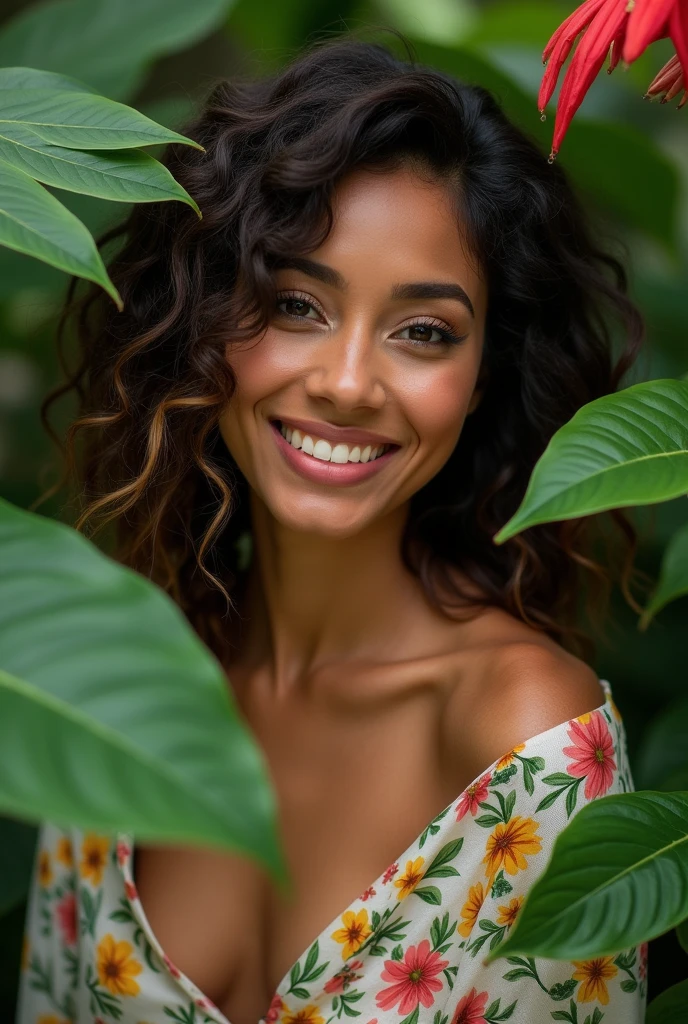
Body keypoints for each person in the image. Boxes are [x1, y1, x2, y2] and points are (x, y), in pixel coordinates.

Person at [17, 36, 647, 1024]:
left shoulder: (524, 738)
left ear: (484, 375)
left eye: (422, 331)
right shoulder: (118, 689)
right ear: (206, 322)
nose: (348, 383)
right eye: (294, 304)